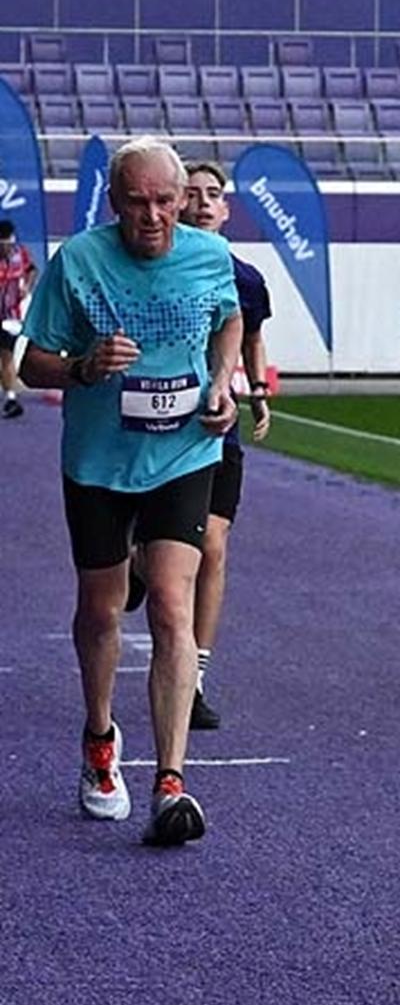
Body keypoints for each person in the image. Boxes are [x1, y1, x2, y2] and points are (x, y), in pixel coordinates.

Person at [19, 136, 241, 846]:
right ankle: (99, 736)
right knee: (101, 606)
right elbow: (31, 364)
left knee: (173, 601)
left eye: (165, 202)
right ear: (113, 202)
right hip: (99, 462)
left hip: (184, 450)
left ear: (182, 200)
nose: (152, 216)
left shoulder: (209, 256)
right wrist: (84, 367)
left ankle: (170, 783)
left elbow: (229, 318)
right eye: (137, 202)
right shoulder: (78, 261)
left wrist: (222, 382)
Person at [160, 160, 273, 730]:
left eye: (213, 194)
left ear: (226, 209)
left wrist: (258, 393)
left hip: (216, 423)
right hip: (156, 428)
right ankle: (140, 568)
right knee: (156, 553)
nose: (203, 203)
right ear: (176, 203)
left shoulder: (245, 278)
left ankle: (197, 675)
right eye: (193, 193)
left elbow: (252, 339)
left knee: (214, 544)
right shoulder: (153, 269)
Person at [0, 218, 39, 419]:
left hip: (9, 318)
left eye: (9, 244)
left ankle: (11, 399)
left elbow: (32, 269)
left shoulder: (20, 254)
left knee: (6, 356)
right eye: (2, 246)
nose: (6, 249)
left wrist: (26, 287)